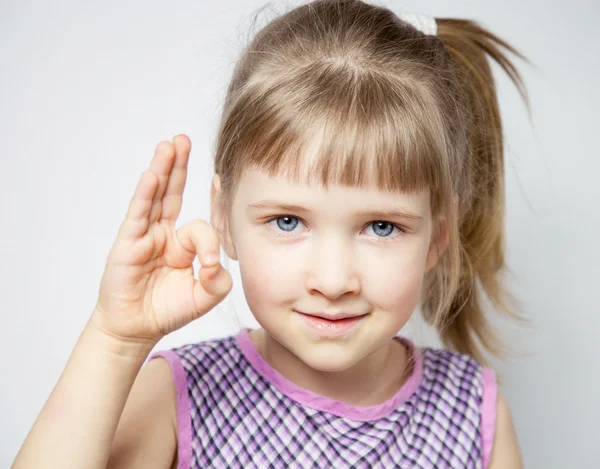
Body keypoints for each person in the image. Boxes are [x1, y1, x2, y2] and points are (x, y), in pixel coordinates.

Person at [13, 1, 532, 468]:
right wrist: (115, 340)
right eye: (288, 221)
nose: (333, 281)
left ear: (437, 239)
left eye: (381, 226)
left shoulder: (475, 413)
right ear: (225, 219)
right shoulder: (179, 398)